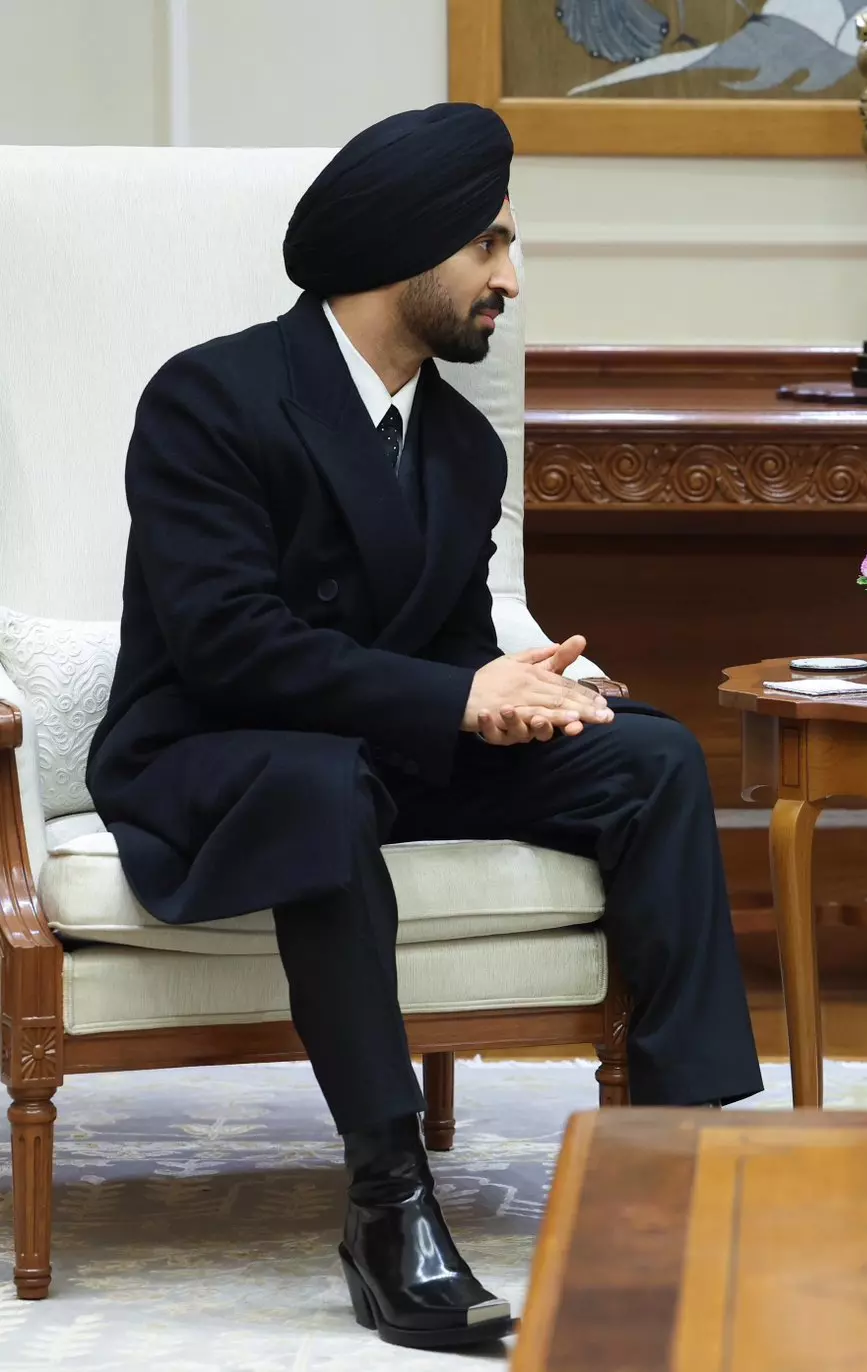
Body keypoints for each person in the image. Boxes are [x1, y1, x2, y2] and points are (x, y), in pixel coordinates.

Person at [86, 103, 761, 1350]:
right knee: (326, 784)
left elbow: (441, 643)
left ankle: (672, 1161)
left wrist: (523, 688)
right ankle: (389, 1202)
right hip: (210, 753)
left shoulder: (457, 443)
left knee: (650, 756)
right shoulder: (210, 396)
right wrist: (456, 696)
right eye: (489, 247)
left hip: (377, 741)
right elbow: (228, 642)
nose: (510, 278)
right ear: (409, 248)